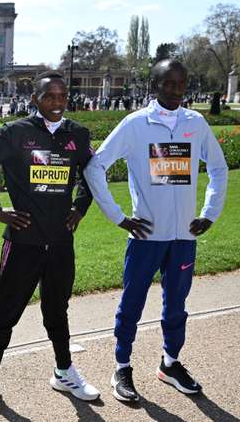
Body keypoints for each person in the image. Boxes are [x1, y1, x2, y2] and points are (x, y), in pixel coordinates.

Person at [83, 59, 228, 403]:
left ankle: (170, 363)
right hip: (146, 237)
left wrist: (209, 214)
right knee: (132, 304)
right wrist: (119, 217)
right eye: (169, 84)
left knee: (176, 305)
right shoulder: (135, 125)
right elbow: (95, 166)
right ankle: (122, 366)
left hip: (183, 238)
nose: (177, 91)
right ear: (155, 86)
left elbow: (219, 168)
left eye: (182, 84)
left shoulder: (196, 123)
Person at [0, 72, 99, 414]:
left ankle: (64, 371)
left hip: (59, 242)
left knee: (57, 310)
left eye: (62, 96)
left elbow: (92, 173)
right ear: (34, 100)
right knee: (5, 313)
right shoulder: (15, 133)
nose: (57, 103)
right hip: (22, 241)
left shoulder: (77, 134)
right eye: (49, 96)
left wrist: (79, 207)